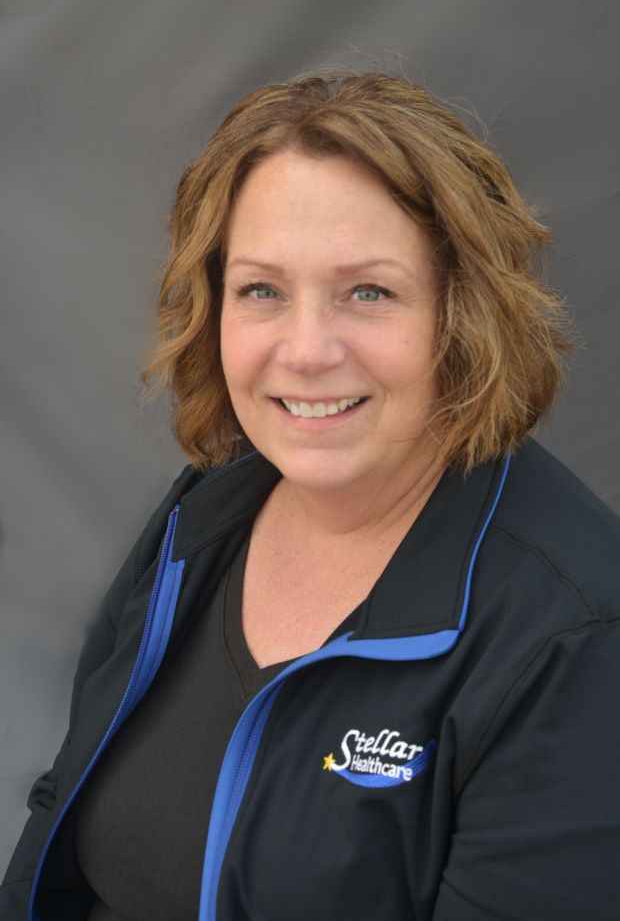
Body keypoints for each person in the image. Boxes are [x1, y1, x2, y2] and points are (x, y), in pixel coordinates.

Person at [2, 70, 619, 921]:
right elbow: (65, 809)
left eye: (368, 291)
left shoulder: (575, 632)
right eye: (262, 290)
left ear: (461, 312)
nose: (306, 349)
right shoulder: (207, 514)